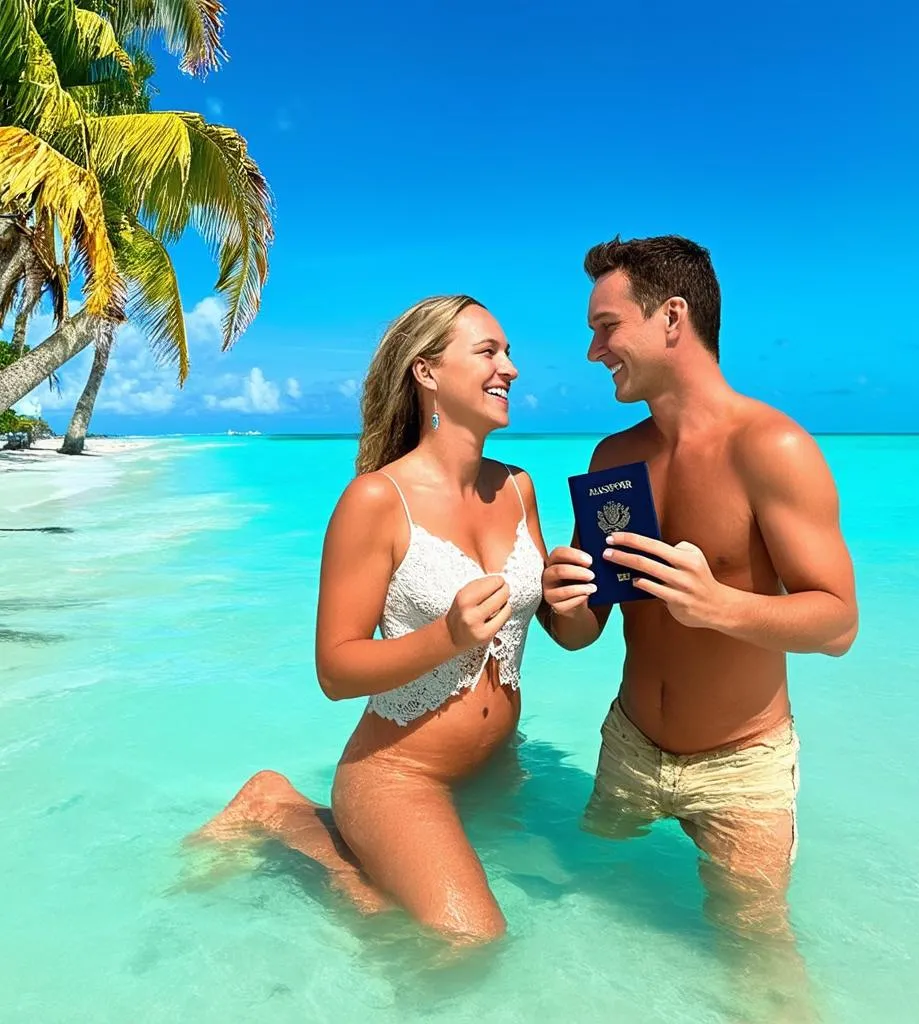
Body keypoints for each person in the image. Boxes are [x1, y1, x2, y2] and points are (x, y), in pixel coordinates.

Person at [196, 295, 551, 944]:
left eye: (509, 352)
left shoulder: (521, 486)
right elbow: (335, 669)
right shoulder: (376, 502)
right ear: (427, 372)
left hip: (496, 757)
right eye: (489, 352)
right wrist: (446, 636)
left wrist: (597, 588)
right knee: (469, 940)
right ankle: (281, 811)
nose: (512, 368)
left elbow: (568, 629)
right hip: (398, 773)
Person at [541, 235, 858, 949]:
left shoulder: (770, 447)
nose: (594, 352)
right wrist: (559, 603)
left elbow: (838, 623)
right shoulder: (614, 458)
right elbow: (585, 629)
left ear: (672, 317)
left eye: (606, 327)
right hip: (629, 747)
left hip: (740, 766)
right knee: (583, 922)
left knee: (758, 961)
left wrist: (719, 605)